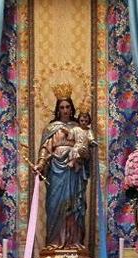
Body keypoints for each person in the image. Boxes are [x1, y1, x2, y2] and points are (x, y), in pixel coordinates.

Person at [36, 87, 92, 248]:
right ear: (57, 109)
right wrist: (41, 163)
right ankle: (54, 242)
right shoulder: (51, 128)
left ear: (72, 108)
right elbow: (45, 149)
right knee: (55, 205)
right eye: (62, 107)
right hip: (55, 170)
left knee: (74, 205)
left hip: (73, 172)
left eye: (68, 107)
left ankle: (73, 242)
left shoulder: (79, 128)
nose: (65, 110)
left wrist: (82, 154)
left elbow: (85, 147)